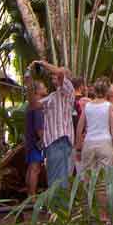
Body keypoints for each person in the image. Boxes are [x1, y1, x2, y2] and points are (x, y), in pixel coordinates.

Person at [32, 59, 75, 188]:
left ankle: (58, 208)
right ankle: (57, 207)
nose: (53, 76)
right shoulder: (52, 96)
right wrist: (29, 82)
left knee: (59, 182)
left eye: (55, 75)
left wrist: (42, 63)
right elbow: (34, 105)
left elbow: (61, 72)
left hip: (60, 140)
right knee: (54, 181)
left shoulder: (68, 91)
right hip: (51, 143)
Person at [24, 82, 47, 197]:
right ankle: (32, 195)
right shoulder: (37, 107)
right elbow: (39, 127)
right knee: (35, 168)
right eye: (43, 87)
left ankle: (29, 193)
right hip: (36, 142)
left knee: (31, 167)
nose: (46, 88)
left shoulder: (30, 106)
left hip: (30, 141)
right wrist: (43, 140)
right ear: (37, 91)